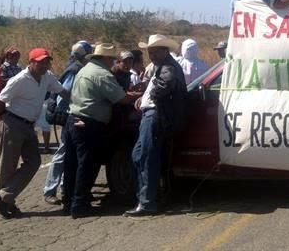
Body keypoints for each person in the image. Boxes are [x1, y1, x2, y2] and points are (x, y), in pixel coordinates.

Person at [63, 44, 140, 218]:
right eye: (112, 59)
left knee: (72, 163)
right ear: (105, 59)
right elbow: (121, 98)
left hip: (73, 118)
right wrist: (138, 95)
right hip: (89, 122)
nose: (113, 61)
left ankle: (69, 200)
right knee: (87, 164)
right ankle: (80, 204)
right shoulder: (102, 74)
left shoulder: (85, 70)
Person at [0, 48, 69, 219]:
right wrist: (2, 119)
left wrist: (78, 100)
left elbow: (62, 91)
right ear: (31, 62)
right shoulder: (19, 80)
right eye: (40, 62)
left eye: (47, 61)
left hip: (28, 125)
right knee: (8, 166)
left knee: (34, 161)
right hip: (12, 122)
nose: (44, 65)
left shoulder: (47, 76)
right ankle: (8, 203)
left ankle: (3, 197)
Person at [125, 34, 187, 217]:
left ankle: (147, 202)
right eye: (150, 52)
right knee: (139, 156)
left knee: (146, 157)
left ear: (164, 51)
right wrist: (143, 98)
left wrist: (150, 97)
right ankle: (147, 197)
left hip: (155, 115)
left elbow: (164, 85)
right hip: (152, 114)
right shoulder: (163, 66)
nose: (151, 55)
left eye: (155, 51)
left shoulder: (167, 67)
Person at [43, 41, 93, 205]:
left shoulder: (75, 66)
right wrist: (71, 111)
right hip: (68, 114)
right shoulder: (75, 69)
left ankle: (66, 187)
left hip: (69, 114)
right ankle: (50, 190)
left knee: (68, 152)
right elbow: (63, 94)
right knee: (63, 152)